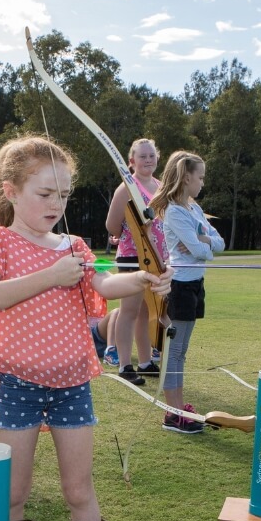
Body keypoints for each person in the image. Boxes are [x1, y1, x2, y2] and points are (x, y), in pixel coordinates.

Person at [0, 136, 172, 521]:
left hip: (72, 383)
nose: (55, 203)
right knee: (13, 493)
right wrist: (50, 274)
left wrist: (145, 278)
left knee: (79, 491)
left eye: (63, 194)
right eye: (44, 193)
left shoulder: (74, 247)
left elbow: (106, 283)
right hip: (18, 384)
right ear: (11, 191)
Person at [148, 151, 224, 434]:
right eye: (200, 177)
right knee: (174, 351)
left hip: (195, 285)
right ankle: (172, 414)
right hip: (179, 286)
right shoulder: (175, 212)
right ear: (186, 177)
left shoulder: (195, 209)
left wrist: (204, 243)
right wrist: (203, 244)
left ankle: (179, 408)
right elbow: (199, 249)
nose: (202, 183)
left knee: (181, 352)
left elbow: (220, 243)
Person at [104, 138, 165, 385]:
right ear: (132, 161)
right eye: (142, 156)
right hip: (132, 255)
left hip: (155, 257)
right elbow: (111, 225)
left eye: (151, 155)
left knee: (146, 311)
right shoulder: (127, 187)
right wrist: (130, 231)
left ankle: (145, 361)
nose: (148, 160)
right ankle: (125, 366)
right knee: (129, 311)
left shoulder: (161, 186)